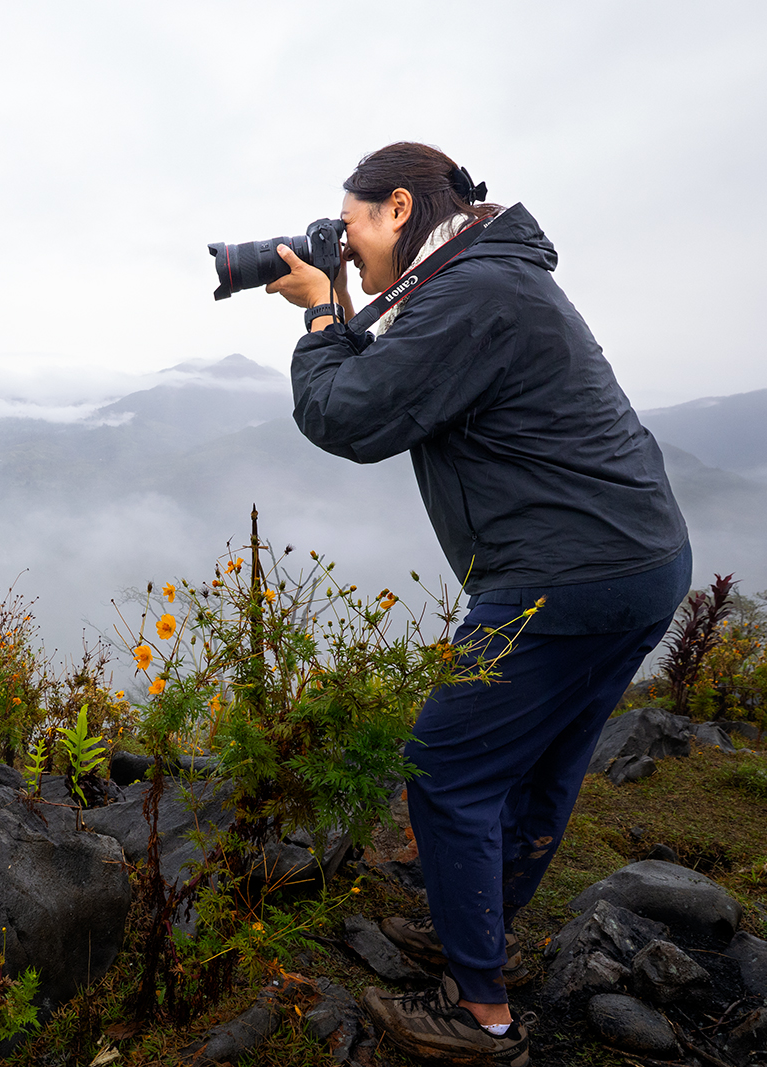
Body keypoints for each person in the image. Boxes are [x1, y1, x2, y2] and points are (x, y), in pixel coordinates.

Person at [264, 142, 689, 1065]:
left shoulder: (469, 291)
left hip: (561, 575)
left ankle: (480, 1016)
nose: (346, 242)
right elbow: (400, 375)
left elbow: (351, 415)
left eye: (353, 224)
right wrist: (340, 300)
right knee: (540, 768)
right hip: (639, 562)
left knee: (448, 765)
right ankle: (476, 939)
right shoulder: (484, 275)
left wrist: (316, 319)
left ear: (402, 209)